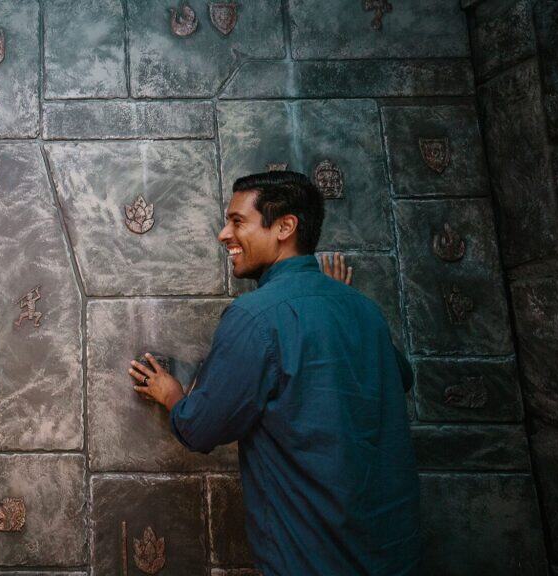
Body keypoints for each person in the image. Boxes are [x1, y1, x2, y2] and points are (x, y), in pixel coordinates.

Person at [129, 171, 420, 575]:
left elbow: (199, 428)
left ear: (285, 226)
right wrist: (338, 300)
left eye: (237, 221)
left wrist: (171, 393)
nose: (223, 234)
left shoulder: (255, 317)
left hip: (310, 557)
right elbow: (401, 378)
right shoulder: (363, 310)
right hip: (392, 554)